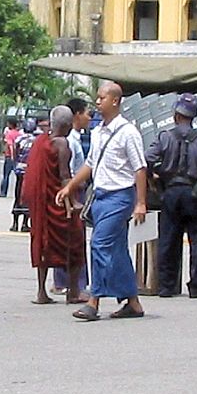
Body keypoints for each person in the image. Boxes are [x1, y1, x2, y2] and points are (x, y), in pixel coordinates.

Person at [56, 82, 147, 321]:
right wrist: (70, 187)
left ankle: (94, 301)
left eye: (101, 98)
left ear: (115, 101)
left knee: (99, 244)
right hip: (100, 196)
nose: (97, 102)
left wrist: (140, 203)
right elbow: (90, 165)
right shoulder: (97, 133)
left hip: (120, 197)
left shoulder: (128, 132)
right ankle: (133, 302)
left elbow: (140, 169)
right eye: (97, 98)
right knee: (117, 250)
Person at [145, 93, 197, 299]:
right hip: (195, 195)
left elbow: (146, 160)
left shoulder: (164, 137)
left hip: (170, 193)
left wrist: (153, 177)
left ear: (176, 115)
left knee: (168, 240)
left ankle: (166, 286)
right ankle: (196, 286)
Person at [23, 106, 87, 305]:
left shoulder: (40, 141)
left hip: (42, 202)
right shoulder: (62, 144)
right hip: (59, 202)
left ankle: (41, 292)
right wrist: (74, 202)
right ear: (67, 126)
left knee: (42, 241)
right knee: (76, 243)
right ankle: (73, 291)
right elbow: (64, 176)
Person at [52, 98, 91, 296]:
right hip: (72, 191)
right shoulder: (69, 141)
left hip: (74, 189)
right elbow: (66, 174)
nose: (89, 117)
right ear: (76, 115)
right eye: (87, 113)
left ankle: (66, 282)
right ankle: (74, 285)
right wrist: (73, 200)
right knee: (73, 239)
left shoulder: (75, 139)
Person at [11, 118, 37, 232]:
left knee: (17, 195)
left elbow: (15, 154)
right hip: (30, 172)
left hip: (19, 170)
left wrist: (16, 164)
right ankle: (25, 224)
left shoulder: (18, 139)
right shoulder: (36, 141)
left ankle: (15, 224)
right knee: (27, 197)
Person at [0, 118, 20, 198]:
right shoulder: (18, 134)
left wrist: (11, 156)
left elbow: (11, 145)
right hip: (17, 157)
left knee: (6, 175)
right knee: (18, 176)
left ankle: (3, 192)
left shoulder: (9, 134)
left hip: (9, 156)